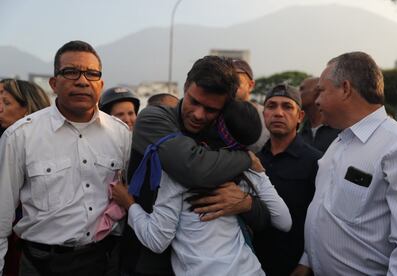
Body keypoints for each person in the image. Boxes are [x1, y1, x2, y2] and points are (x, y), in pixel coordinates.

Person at [121, 55, 271, 275]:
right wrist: (245, 159)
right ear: (185, 87)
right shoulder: (154, 119)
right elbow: (193, 168)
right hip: (146, 261)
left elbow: (265, 216)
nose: (199, 115)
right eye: (194, 102)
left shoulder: (223, 140)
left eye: (211, 110)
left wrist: (244, 203)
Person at [112, 100, 292, 275]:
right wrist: (257, 181)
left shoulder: (179, 172)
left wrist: (130, 204)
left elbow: (157, 240)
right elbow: (284, 222)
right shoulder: (251, 170)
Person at [0, 40, 131, 275]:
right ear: (53, 83)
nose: (82, 81)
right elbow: (1, 218)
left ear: (100, 85)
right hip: (41, 264)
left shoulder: (121, 134)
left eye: (91, 74)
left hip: (103, 262)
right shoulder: (20, 136)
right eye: (71, 72)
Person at [292, 52, 397, 276]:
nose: (316, 100)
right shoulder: (338, 143)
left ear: (345, 88)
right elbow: (325, 210)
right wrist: (307, 260)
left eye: (321, 90)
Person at [253, 84, 322, 276]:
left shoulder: (316, 161)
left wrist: (306, 262)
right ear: (264, 113)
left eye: (287, 107)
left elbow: (321, 220)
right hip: (253, 264)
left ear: (300, 116)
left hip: (295, 265)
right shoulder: (253, 160)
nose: (278, 113)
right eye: (271, 106)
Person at [0, 78, 51, 276]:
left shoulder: (45, 148)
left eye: (6, 103)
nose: (0, 108)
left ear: (28, 108)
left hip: (28, 245)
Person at [232, 58, 269, 152]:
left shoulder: (266, 115)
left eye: (236, 82)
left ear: (251, 85)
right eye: (227, 82)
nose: (231, 86)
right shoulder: (216, 112)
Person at [299, 77, 340, 153]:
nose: (297, 94)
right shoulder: (300, 132)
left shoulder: (341, 130)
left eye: (301, 89)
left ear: (318, 91)